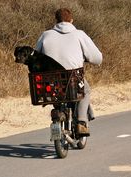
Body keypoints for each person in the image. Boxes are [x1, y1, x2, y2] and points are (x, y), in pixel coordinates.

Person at [36, 8, 102, 136]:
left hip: (50, 79)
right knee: (85, 91)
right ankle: (81, 122)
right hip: (73, 77)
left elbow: (36, 55)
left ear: (56, 21)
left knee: (53, 91)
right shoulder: (79, 34)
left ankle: (58, 113)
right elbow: (97, 57)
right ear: (71, 20)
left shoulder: (46, 35)